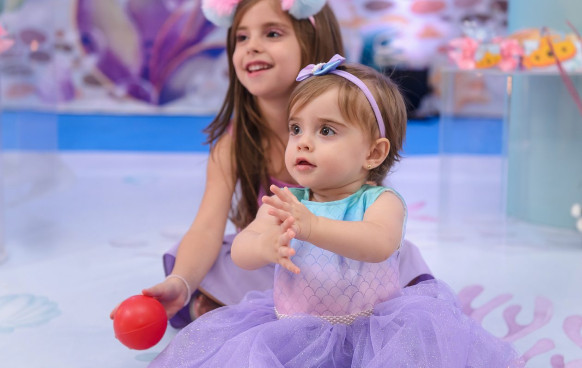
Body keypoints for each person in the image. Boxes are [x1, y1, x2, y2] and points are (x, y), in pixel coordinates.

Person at [148, 56, 522, 367]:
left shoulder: (380, 201)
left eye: (326, 131)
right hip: (294, 331)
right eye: (296, 129)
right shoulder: (287, 200)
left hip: (371, 333)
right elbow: (243, 249)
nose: (303, 142)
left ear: (373, 153)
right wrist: (263, 247)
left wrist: (313, 226)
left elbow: (378, 243)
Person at [112, 0, 432, 329]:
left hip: (347, 265)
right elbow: (206, 228)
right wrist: (182, 282)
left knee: (400, 258)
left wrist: (317, 227)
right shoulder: (234, 143)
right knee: (225, 252)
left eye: (272, 33)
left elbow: (371, 226)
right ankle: (227, 303)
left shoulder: (353, 125)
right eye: (241, 37)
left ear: (311, 43)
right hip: (280, 262)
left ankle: (226, 306)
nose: (251, 46)